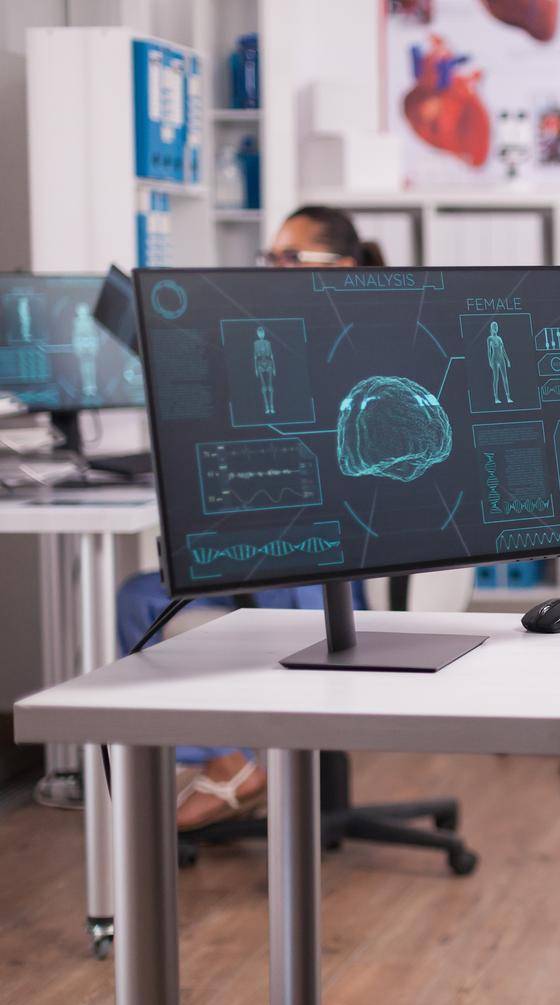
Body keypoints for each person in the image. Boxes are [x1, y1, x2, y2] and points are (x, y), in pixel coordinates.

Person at [115, 205, 383, 832]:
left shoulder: (366, 339)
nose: (273, 269)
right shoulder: (268, 329)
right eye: (271, 258)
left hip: (334, 548)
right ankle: (225, 757)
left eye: (290, 258)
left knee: (285, 578)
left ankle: (263, 756)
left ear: (342, 267)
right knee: (140, 599)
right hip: (259, 529)